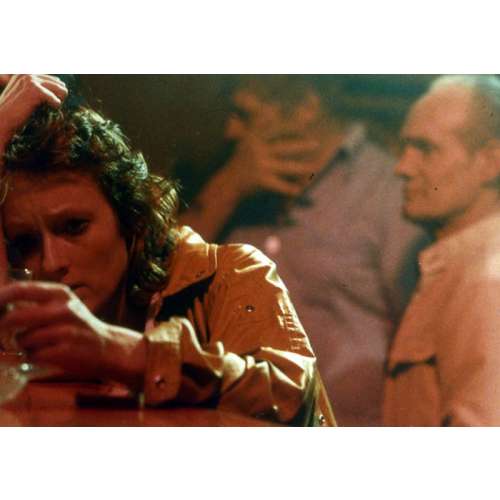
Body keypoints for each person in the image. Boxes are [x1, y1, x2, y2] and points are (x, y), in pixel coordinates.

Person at [0, 74, 334, 426]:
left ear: (129, 217)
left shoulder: (229, 274)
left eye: (74, 227)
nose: (51, 262)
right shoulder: (21, 319)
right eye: (27, 242)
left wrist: (120, 353)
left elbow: (289, 400)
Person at [177, 76, 428, 426]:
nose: (232, 131)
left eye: (245, 114)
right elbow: (160, 276)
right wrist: (228, 187)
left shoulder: (389, 190)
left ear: (305, 108)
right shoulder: (229, 174)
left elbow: (420, 338)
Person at [383, 75, 500, 426]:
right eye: (404, 148)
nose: (402, 167)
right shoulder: (456, 267)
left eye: (426, 149)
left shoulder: (486, 281)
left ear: (490, 162)